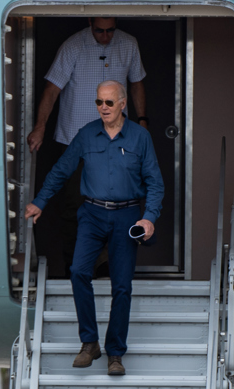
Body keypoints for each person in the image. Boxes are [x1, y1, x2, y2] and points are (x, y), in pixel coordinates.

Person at [25, 80, 164, 377]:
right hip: (91, 214)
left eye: (109, 103)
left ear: (123, 104)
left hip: (127, 216)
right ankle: (89, 343)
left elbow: (155, 182)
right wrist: (39, 202)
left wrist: (149, 217)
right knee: (78, 272)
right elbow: (61, 170)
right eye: (99, 102)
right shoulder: (87, 134)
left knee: (122, 286)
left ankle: (115, 353)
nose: (103, 108)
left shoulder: (140, 138)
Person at [27, 17, 149, 276]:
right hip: (76, 139)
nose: (105, 37)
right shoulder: (73, 46)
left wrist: (142, 120)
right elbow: (52, 90)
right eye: (99, 31)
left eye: (110, 31)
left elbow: (137, 82)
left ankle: (107, 265)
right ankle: (76, 265)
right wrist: (40, 126)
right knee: (74, 206)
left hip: (119, 139)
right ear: (90, 23)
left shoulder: (128, 44)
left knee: (118, 202)